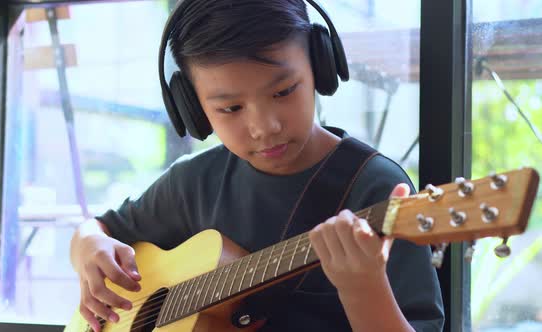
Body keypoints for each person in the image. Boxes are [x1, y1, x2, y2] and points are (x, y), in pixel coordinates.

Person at [69, 0, 445, 331]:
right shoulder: (194, 182)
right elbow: (100, 227)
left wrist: (364, 287)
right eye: (230, 108)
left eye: (283, 91)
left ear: (320, 67)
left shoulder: (375, 188)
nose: (265, 127)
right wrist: (89, 245)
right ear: (194, 109)